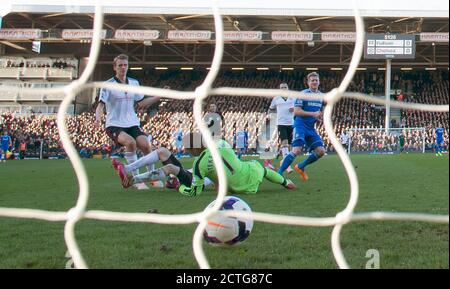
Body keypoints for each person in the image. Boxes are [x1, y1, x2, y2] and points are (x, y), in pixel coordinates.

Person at [113, 133, 296, 196]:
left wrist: (181, 188)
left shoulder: (200, 163)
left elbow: (196, 189)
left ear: (192, 151)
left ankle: (132, 178)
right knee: (162, 152)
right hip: (206, 175)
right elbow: (267, 173)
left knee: (168, 165)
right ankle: (128, 170)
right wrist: (285, 182)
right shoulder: (224, 145)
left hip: (194, 178)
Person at [95, 54, 160, 190]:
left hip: (132, 123)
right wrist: (98, 118)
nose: (123, 67)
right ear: (115, 67)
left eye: (125, 65)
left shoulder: (134, 83)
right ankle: (136, 180)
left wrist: (158, 96)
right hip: (114, 124)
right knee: (130, 143)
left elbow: (141, 103)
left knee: (146, 145)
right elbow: (101, 105)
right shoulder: (108, 85)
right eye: (120, 65)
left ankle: (151, 176)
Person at [278, 72, 326, 182]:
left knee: (321, 151)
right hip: (300, 125)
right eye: (312, 80)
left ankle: (300, 166)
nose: (314, 82)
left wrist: (318, 118)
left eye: (316, 80)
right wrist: (313, 114)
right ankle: (279, 173)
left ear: (319, 82)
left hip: (311, 128)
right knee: (297, 150)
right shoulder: (303, 94)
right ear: (308, 82)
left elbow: (317, 112)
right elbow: (297, 111)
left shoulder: (321, 97)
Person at [266, 82, 295, 172]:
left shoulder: (293, 98)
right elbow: (271, 108)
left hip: (291, 123)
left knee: (290, 146)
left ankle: (284, 161)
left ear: (288, 88)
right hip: (281, 123)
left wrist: (294, 109)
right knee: (284, 143)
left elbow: (298, 107)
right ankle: (287, 166)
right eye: (281, 87)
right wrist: (268, 116)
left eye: (285, 87)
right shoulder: (276, 98)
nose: (283, 88)